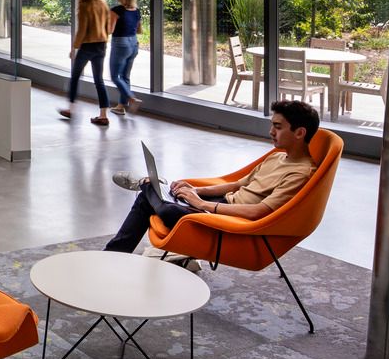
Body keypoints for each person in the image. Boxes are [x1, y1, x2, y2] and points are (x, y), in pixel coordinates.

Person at [102, 100, 321, 269]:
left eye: (278, 127)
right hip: (222, 204)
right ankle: (113, 255)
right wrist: (196, 191)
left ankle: (146, 185)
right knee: (154, 198)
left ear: (300, 133)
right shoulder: (276, 157)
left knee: (166, 209)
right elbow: (238, 183)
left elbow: (258, 212)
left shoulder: (300, 173)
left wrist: (202, 204)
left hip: (231, 222)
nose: (271, 132)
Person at [59, 0, 112, 126]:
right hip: (101, 45)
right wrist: (104, 39)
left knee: (75, 76)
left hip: (87, 45)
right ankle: (103, 115)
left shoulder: (84, 5)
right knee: (99, 80)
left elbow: (82, 29)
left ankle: (71, 109)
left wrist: (74, 48)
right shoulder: (103, 4)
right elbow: (108, 27)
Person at [107, 0, 142, 115]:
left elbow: (110, 30)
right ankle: (121, 106)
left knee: (115, 76)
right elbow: (139, 30)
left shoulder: (116, 10)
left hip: (120, 44)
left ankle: (131, 98)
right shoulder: (136, 10)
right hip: (133, 44)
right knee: (125, 77)